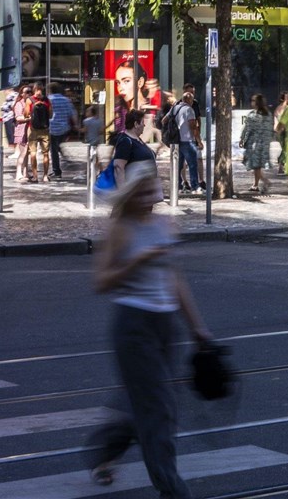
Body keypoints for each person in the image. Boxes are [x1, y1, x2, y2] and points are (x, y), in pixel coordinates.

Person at [89, 163, 213, 496]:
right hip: (133, 325)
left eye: (153, 192)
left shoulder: (164, 224)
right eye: (142, 193)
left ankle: (105, 449)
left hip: (166, 326)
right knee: (159, 409)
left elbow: (174, 278)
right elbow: (101, 282)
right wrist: (137, 260)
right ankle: (172, 489)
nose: (148, 199)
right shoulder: (120, 229)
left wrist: (198, 328)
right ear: (130, 194)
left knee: (147, 400)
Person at [239, 93, 273, 196]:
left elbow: (247, 129)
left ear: (257, 103)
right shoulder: (268, 114)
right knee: (257, 166)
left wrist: (242, 139)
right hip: (265, 143)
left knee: (254, 165)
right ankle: (255, 184)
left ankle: (266, 181)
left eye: (253, 101)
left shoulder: (252, 115)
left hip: (254, 144)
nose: (251, 102)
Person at [173, 84, 202, 196]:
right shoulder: (189, 110)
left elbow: (164, 120)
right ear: (189, 100)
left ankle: (178, 186)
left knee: (179, 165)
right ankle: (195, 187)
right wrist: (199, 141)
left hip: (177, 141)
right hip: (188, 140)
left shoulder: (175, 107)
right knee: (192, 165)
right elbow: (193, 126)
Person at [48, 84, 80, 180]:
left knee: (53, 150)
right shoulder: (66, 100)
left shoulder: (49, 99)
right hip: (64, 128)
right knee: (57, 147)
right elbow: (73, 113)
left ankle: (57, 171)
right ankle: (65, 159)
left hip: (52, 127)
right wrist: (76, 125)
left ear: (51, 90)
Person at [27, 87, 53, 182]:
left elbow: (26, 114)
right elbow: (50, 115)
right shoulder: (47, 100)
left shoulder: (29, 100)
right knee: (45, 153)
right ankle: (45, 176)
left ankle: (35, 176)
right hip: (44, 129)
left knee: (33, 153)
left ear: (34, 90)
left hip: (33, 129)